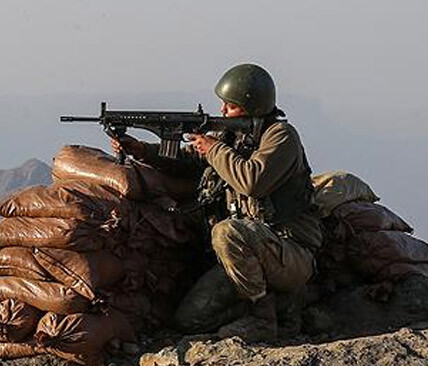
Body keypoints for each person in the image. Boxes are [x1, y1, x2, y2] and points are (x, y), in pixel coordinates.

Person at [110, 63, 322, 341]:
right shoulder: (232, 136)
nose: (222, 111)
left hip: (288, 252)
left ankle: (263, 319)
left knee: (225, 231)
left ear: (252, 106)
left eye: (230, 106)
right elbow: (190, 160)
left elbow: (252, 181)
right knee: (190, 319)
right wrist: (143, 150)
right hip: (244, 256)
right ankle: (277, 308)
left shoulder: (281, 137)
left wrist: (214, 149)